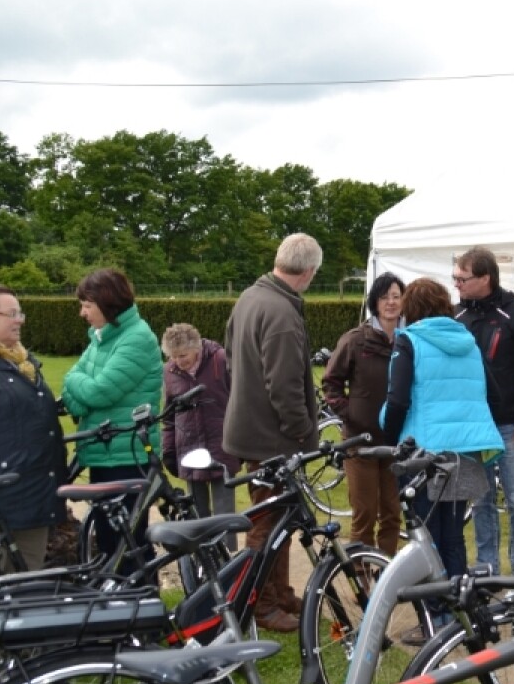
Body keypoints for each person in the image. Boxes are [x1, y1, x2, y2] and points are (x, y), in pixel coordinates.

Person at [224, 233, 323, 634]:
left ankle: (279, 592)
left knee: (279, 518)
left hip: (255, 431)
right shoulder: (280, 312)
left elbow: (233, 357)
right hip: (272, 439)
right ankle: (260, 605)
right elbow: (283, 387)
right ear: (311, 271)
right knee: (265, 524)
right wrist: (303, 433)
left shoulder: (251, 297)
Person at [379, 277, 502, 586]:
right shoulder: (469, 343)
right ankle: (457, 617)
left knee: (426, 538)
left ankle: (435, 616)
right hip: (466, 452)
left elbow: (397, 400)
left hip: (425, 452)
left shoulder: (409, 340)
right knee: (453, 534)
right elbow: (493, 394)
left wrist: (391, 437)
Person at [61, 269, 163, 576]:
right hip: (106, 450)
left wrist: (78, 390)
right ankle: (116, 609)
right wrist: (80, 393)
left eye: (87, 305)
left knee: (128, 542)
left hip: (127, 454)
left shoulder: (136, 338)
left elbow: (97, 391)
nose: (82, 313)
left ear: (107, 303)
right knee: (108, 538)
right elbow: (75, 388)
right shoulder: (102, 337)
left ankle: (142, 609)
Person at [453, 246, 514, 572]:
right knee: (481, 501)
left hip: (510, 426)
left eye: (462, 279)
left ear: (485, 278)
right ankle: (486, 567)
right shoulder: (456, 316)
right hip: (473, 429)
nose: (457, 285)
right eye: (455, 278)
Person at [0, 285, 68, 571]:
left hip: (33, 500)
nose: (20, 319)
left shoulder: (22, 361)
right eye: (11, 313)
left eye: (21, 312)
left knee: (26, 596)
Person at [322, 272, 406, 556]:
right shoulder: (355, 340)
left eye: (396, 296)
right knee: (365, 514)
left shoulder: (410, 340)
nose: (391, 303)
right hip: (360, 441)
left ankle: (387, 573)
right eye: (385, 297)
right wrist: (350, 413)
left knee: (393, 514)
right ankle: (360, 574)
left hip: (395, 442)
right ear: (375, 302)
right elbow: (330, 383)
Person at [160, 323, 239, 550]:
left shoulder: (221, 360)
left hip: (222, 445)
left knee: (225, 515)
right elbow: (169, 416)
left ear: (196, 348)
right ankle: (201, 564)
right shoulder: (169, 372)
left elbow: (239, 400)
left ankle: (228, 565)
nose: (179, 361)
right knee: (196, 513)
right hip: (188, 449)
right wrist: (169, 451)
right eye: (173, 356)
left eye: (183, 355)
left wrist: (239, 443)